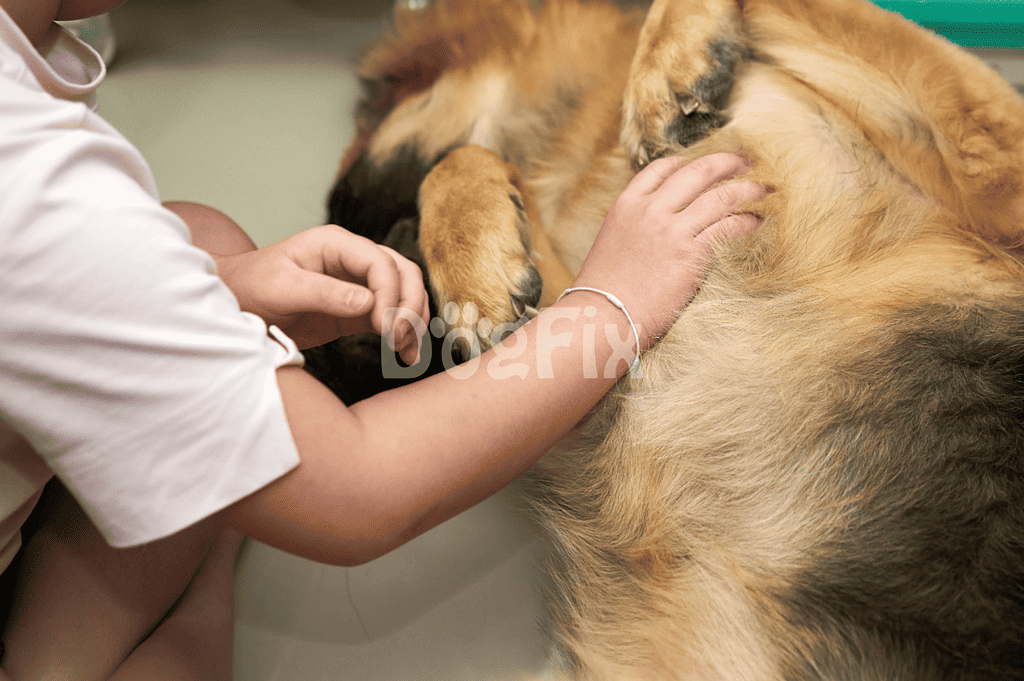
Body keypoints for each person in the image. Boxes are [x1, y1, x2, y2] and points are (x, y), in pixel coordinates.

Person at [0, 0, 767, 677]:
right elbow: (355, 493)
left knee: (203, 235)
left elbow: (52, 296)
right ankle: (203, 588)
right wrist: (612, 306)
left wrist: (209, 297)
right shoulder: (33, 189)